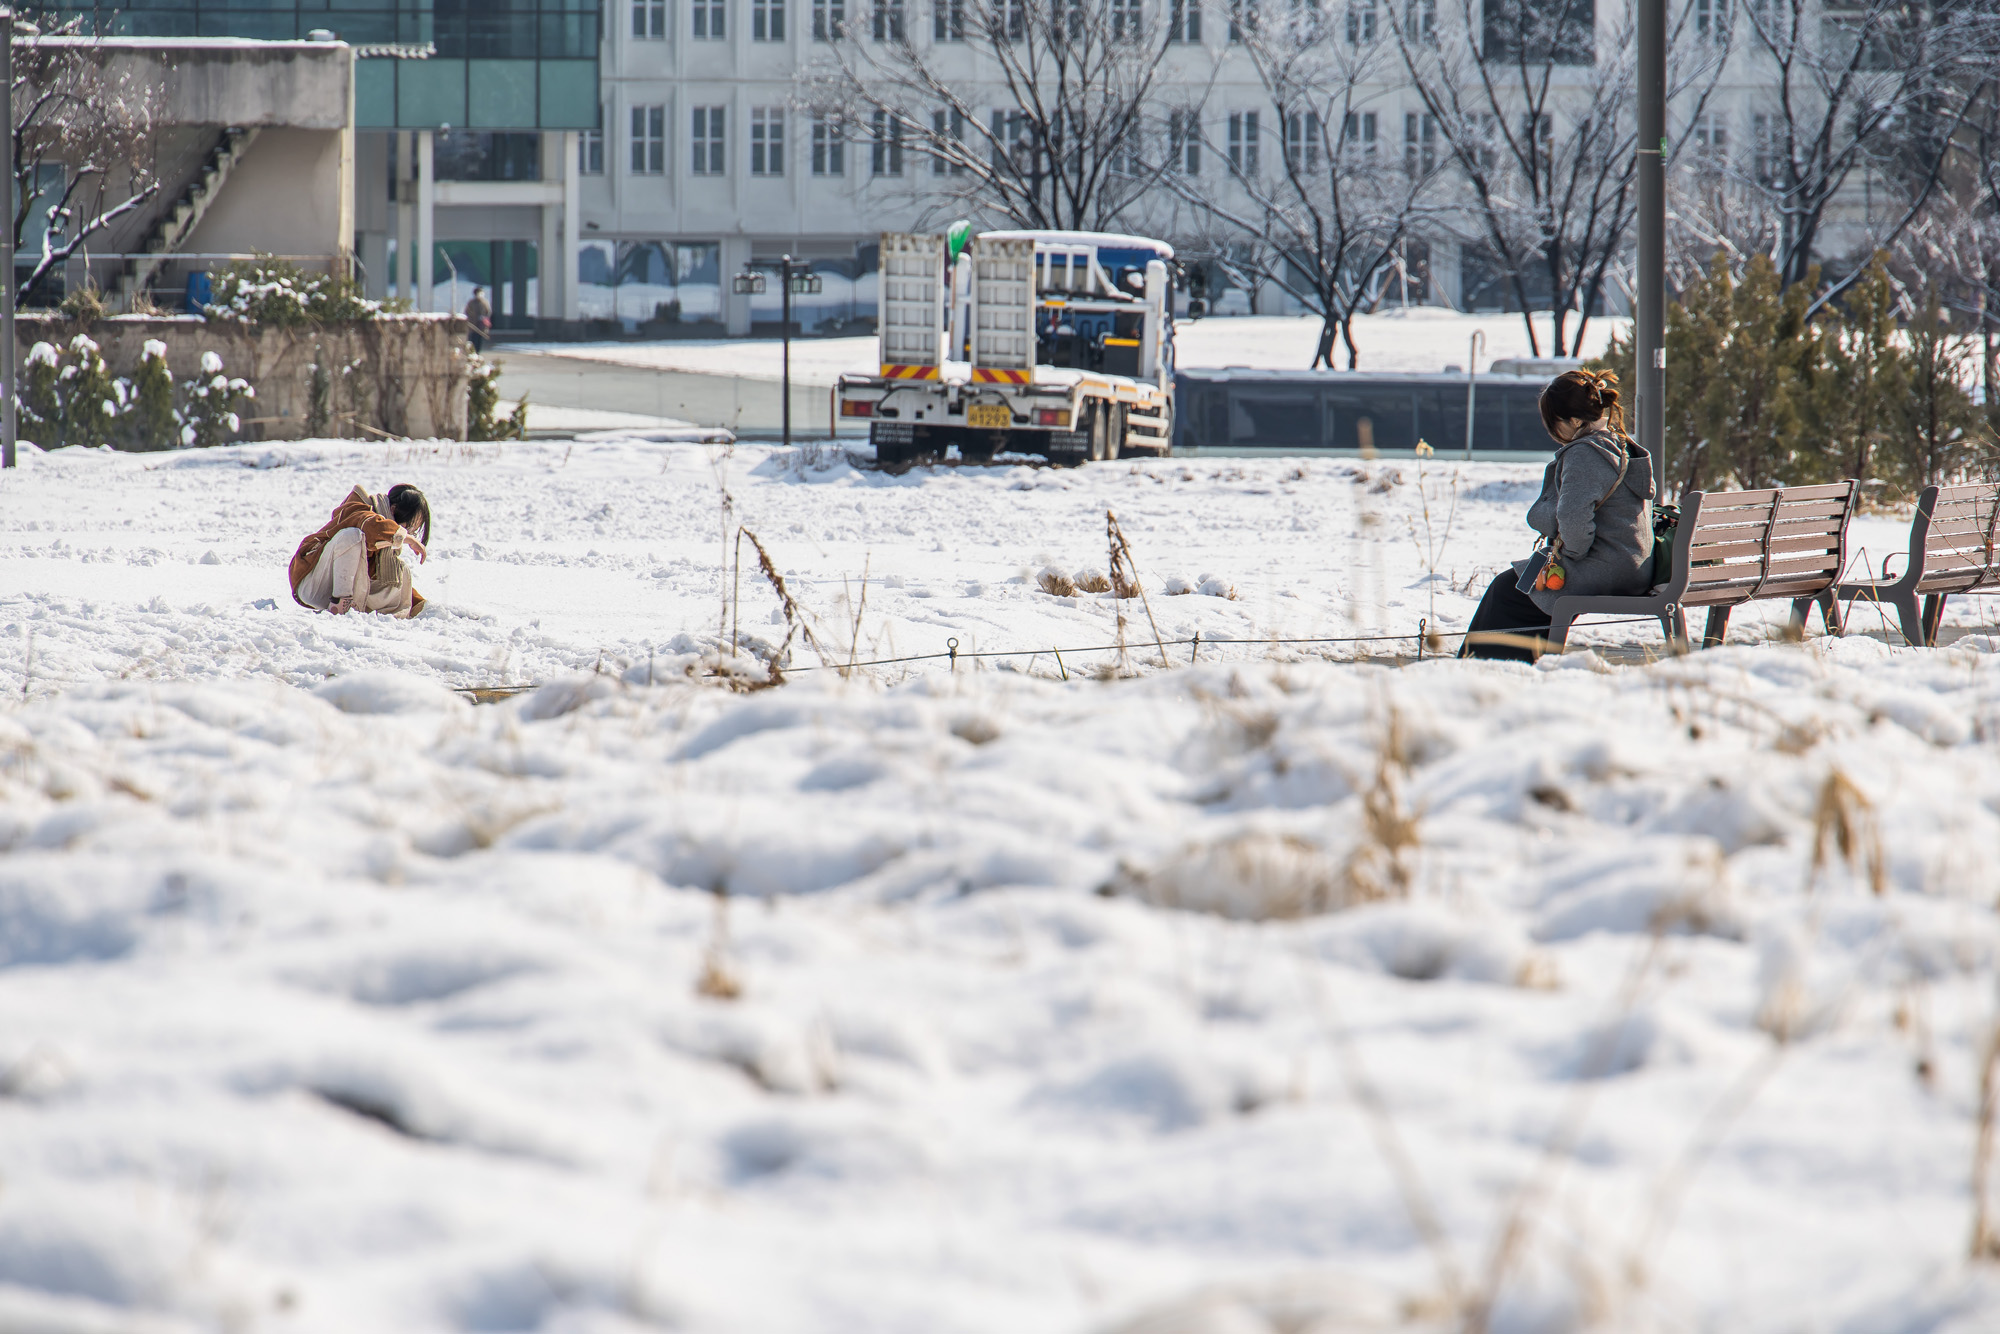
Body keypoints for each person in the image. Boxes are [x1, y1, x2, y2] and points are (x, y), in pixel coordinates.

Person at [1460, 369, 1655, 661]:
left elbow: (1573, 519)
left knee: (1509, 591)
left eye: (1553, 423)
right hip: (1633, 565)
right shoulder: (1619, 444)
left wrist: (1570, 556)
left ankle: (1489, 670)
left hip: (1606, 567)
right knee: (1518, 587)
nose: (1552, 432)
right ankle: (1510, 663)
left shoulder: (1585, 453)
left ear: (1574, 421)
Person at [289, 483, 431, 618]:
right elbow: (368, 524)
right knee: (352, 536)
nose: (409, 533)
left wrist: (420, 605)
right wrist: (404, 537)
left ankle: (368, 610)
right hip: (312, 583)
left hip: (335, 590)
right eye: (409, 527)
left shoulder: (384, 543)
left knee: (401, 570)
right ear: (393, 510)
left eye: (412, 531)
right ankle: (341, 605)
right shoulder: (360, 509)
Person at [465, 287, 492, 353]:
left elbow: (488, 312)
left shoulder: (485, 302)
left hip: (481, 325)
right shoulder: (471, 302)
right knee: (472, 339)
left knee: (479, 340)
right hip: (473, 325)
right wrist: (473, 317)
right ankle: (472, 352)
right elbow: (467, 312)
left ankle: (478, 352)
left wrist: (483, 317)